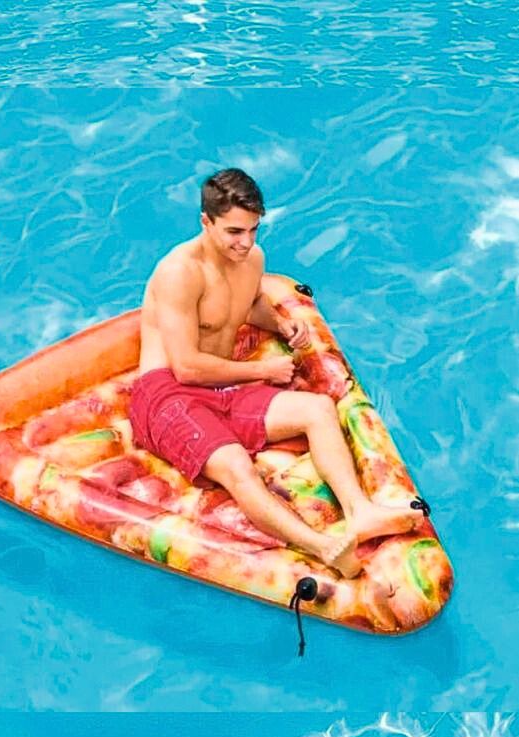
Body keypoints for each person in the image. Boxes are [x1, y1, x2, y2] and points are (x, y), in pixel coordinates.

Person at [129, 168, 423, 578]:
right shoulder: (179, 272)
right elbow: (187, 367)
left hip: (224, 386)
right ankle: (324, 547)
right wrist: (263, 370)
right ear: (205, 222)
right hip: (166, 395)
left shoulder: (252, 259)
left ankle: (360, 511)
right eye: (234, 231)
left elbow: (249, 304)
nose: (245, 242)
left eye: (253, 230)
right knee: (235, 465)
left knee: (318, 409)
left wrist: (282, 324)